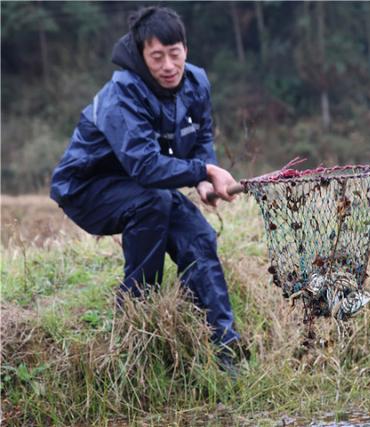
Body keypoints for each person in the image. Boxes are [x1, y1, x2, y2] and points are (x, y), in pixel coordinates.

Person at [50, 7, 242, 362]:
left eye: (175, 54)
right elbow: (146, 166)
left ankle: (226, 349)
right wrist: (203, 170)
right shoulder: (123, 93)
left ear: (185, 48)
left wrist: (204, 176)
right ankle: (139, 317)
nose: (168, 65)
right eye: (157, 57)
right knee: (154, 203)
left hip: (144, 186)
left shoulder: (197, 82)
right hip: (87, 188)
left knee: (198, 237)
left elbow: (201, 137)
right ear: (141, 55)